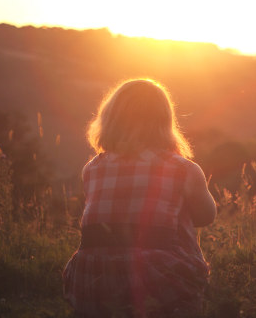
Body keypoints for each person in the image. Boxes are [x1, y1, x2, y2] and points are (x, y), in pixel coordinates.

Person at [63, 78, 217, 317]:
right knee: (178, 218)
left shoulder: (92, 168)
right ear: (165, 122)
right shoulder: (183, 169)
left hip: (92, 281)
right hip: (157, 278)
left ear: (109, 119)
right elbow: (206, 216)